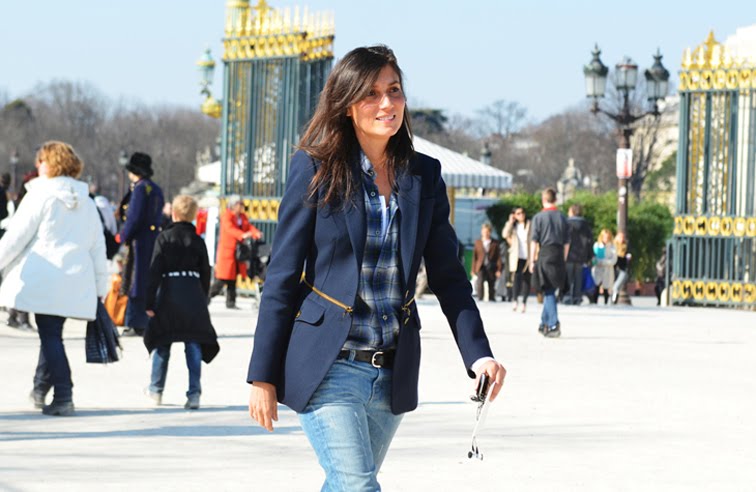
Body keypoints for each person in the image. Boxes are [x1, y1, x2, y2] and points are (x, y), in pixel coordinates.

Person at [246, 45, 506, 490]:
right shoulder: (315, 168)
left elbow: (448, 277)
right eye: (371, 94)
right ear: (347, 104)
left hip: (391, 372)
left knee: (346, 484)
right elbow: (283, 275)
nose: (387, 103)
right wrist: (262, 375)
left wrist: (478, 353)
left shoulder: (424, 175)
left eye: (394, 90)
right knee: (358, 485)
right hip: (329, 366)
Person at [0, 141, 108, 415]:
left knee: (50, 336)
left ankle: (63, 393)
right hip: (76, 277)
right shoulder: (86, 201)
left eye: (41, 160)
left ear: (51, 164)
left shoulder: (40, 195)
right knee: (52, 333)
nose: (37, 165)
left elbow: (15, 237)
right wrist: (100, 285)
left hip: (45, 275)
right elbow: (98, 246)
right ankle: (39, 388)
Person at [143, 195, 219, 410]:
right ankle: (194, 394)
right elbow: (206, 272)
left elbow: (154, 271)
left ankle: (156, 390)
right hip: (193, 294)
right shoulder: (198, 240)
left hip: (169, 293)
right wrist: (203, 297)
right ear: (194, 215)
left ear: (174, 214)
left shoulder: (164, 238)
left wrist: (149, 302)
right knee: (193, 343)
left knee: (163, 341)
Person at [118, 152, 165, 336]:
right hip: (152, 238)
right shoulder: (155, 188)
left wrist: (123, 236)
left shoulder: (139, 189)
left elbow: (133, 217)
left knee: (135, 281)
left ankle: (134, 321)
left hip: (138, 241)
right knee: (146, 279)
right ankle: (145, 320)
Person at [208, 196, 262, 309]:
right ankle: (208, 296)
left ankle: (231, 302)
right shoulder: (227, 216)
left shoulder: (242, 216)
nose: (241, 206)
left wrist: (255, 233)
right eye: (239, 204)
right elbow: (230, 229)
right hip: (227, 251)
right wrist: (242, 235)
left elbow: (249, 227)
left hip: (238, 252)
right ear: (233, 205)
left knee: (232, 278)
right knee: (223, 278)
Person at [529, 188, 569, 338]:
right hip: (558, 253)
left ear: (543, 200)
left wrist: (532, 260)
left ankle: (553, 324)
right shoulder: (562, 217)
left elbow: (534, 241)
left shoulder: (538, 217)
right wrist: (563, 258)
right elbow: (567, 242)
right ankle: (544, 322)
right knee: (550, 289)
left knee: (548, 289)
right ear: (555, 200)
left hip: (545, 253)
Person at [503, 207, 531, 313]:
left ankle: (524, 302)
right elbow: (504, 234)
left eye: (522, 212)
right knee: (516, 279)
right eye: (518, 213)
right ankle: (515, 300)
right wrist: (510, 222)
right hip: (517, 256)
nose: (521, 215)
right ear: (514, 215)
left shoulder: (529, 224)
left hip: (528, 256)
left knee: (527, 279)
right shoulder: (513, 226)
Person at [564, 204, 593, 305]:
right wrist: (589, 256)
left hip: (569, 254)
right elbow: (590, 241)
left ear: (572, 212)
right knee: (578, 277)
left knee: (568, 276)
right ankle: (577, 297)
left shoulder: (567, 223)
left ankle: (568, 295)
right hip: (581, 256)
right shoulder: (586, 225)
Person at [471, 223, 502, 302]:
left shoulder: (495, 243)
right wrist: (473, 270)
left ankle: (491, 298)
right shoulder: (478, 242)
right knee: (480, 281)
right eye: (484, 231)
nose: (486, 233)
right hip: (480, 266)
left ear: (490, 232)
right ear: (482, 232)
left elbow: (498, 257)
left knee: (491, 281)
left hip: (491, 265)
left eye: (487, 232)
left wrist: (499, 269)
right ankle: (480, 298)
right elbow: (475, 257)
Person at [591, 229, 617, 305]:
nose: (606, 239)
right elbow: (593, 257)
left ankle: (606, 303)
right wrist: (597, 261)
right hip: (597, 269)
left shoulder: (612, 247)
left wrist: (604, 262)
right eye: (604, 237)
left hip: (607, 269)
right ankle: (595, 303)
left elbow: (614, 260)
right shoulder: (597, 245)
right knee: (596, 286)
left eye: (607, 237)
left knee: (606, 287)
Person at [612, 231, 631, 304]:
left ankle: (614, 300)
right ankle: (612, 300)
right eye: (620, 237)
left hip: (623, 269)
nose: (621, 239)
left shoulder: (626, 247)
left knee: (616, 286)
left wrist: (628, 257)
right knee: (613, 286)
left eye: (623, 237)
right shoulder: (613, 246)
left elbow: (629, 256)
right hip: (614, 268)